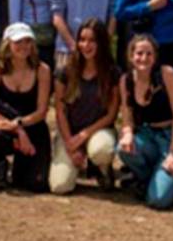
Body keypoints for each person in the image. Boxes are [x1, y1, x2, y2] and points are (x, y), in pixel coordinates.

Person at [50, 19, 120, 195]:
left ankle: (102, 168)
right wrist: (70, 143)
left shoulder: (112, 73)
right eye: (82, 39)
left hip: (98, 131)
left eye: (92, 40)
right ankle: (73, 160)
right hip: (69, 133)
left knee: (101, 150)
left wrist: (83, 136)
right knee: (60, 186)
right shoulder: (65, 71)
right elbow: (60, 111)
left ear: (102, 43)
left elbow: (111, 115)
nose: (85, 45)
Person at [117, 34, 173, 209]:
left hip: (171, 137)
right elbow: (127, 114)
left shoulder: (166, 74)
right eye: (139, 53)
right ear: (131, 56)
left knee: (158, 200)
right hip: (147, 135)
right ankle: (151, 177)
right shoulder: (126, 80)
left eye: (149, 53)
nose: (144, 58)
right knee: (123, 149)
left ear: (155, 56)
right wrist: (128, 133)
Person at [0, 22, 52, 191]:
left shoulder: (42, 70)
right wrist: (18, 131)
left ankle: (21, 166)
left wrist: (21, 125)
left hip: (33, 127)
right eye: (18, 42)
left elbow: (42, 112)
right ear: (8, 44)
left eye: (27, 41)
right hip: (4, 127)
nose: (23, 46)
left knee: (35, 185)